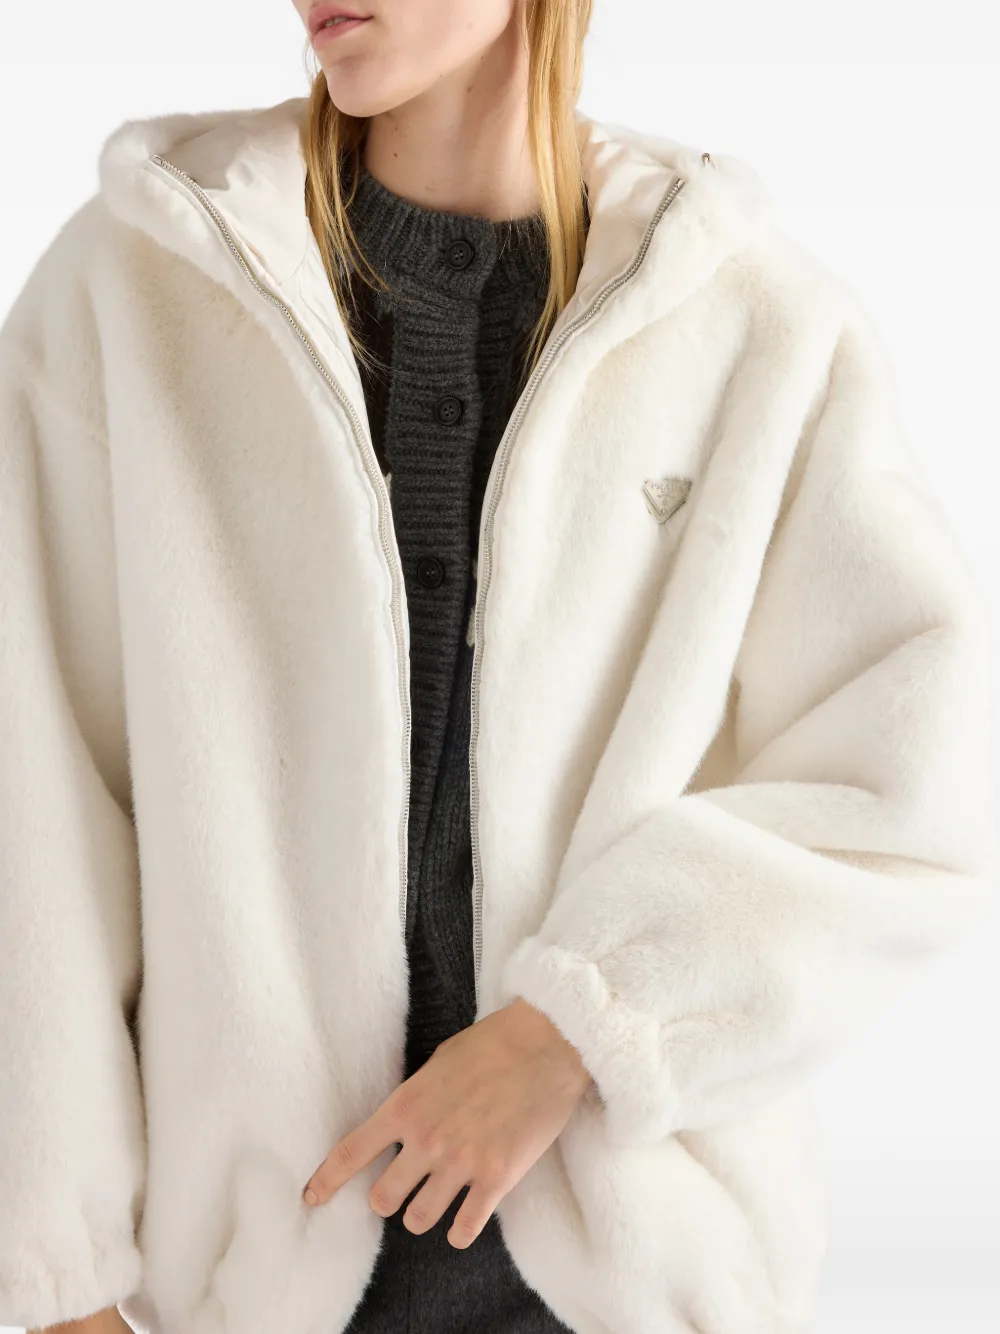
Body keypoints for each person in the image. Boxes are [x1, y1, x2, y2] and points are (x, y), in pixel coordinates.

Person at [1, 1, 995, 1333]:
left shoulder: (750, 325)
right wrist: (61, 1284)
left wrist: (579, 1029)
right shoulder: (141, 289)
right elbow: (30, 792)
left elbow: (920, 778)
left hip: (631, 1294)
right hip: (243, 1298)